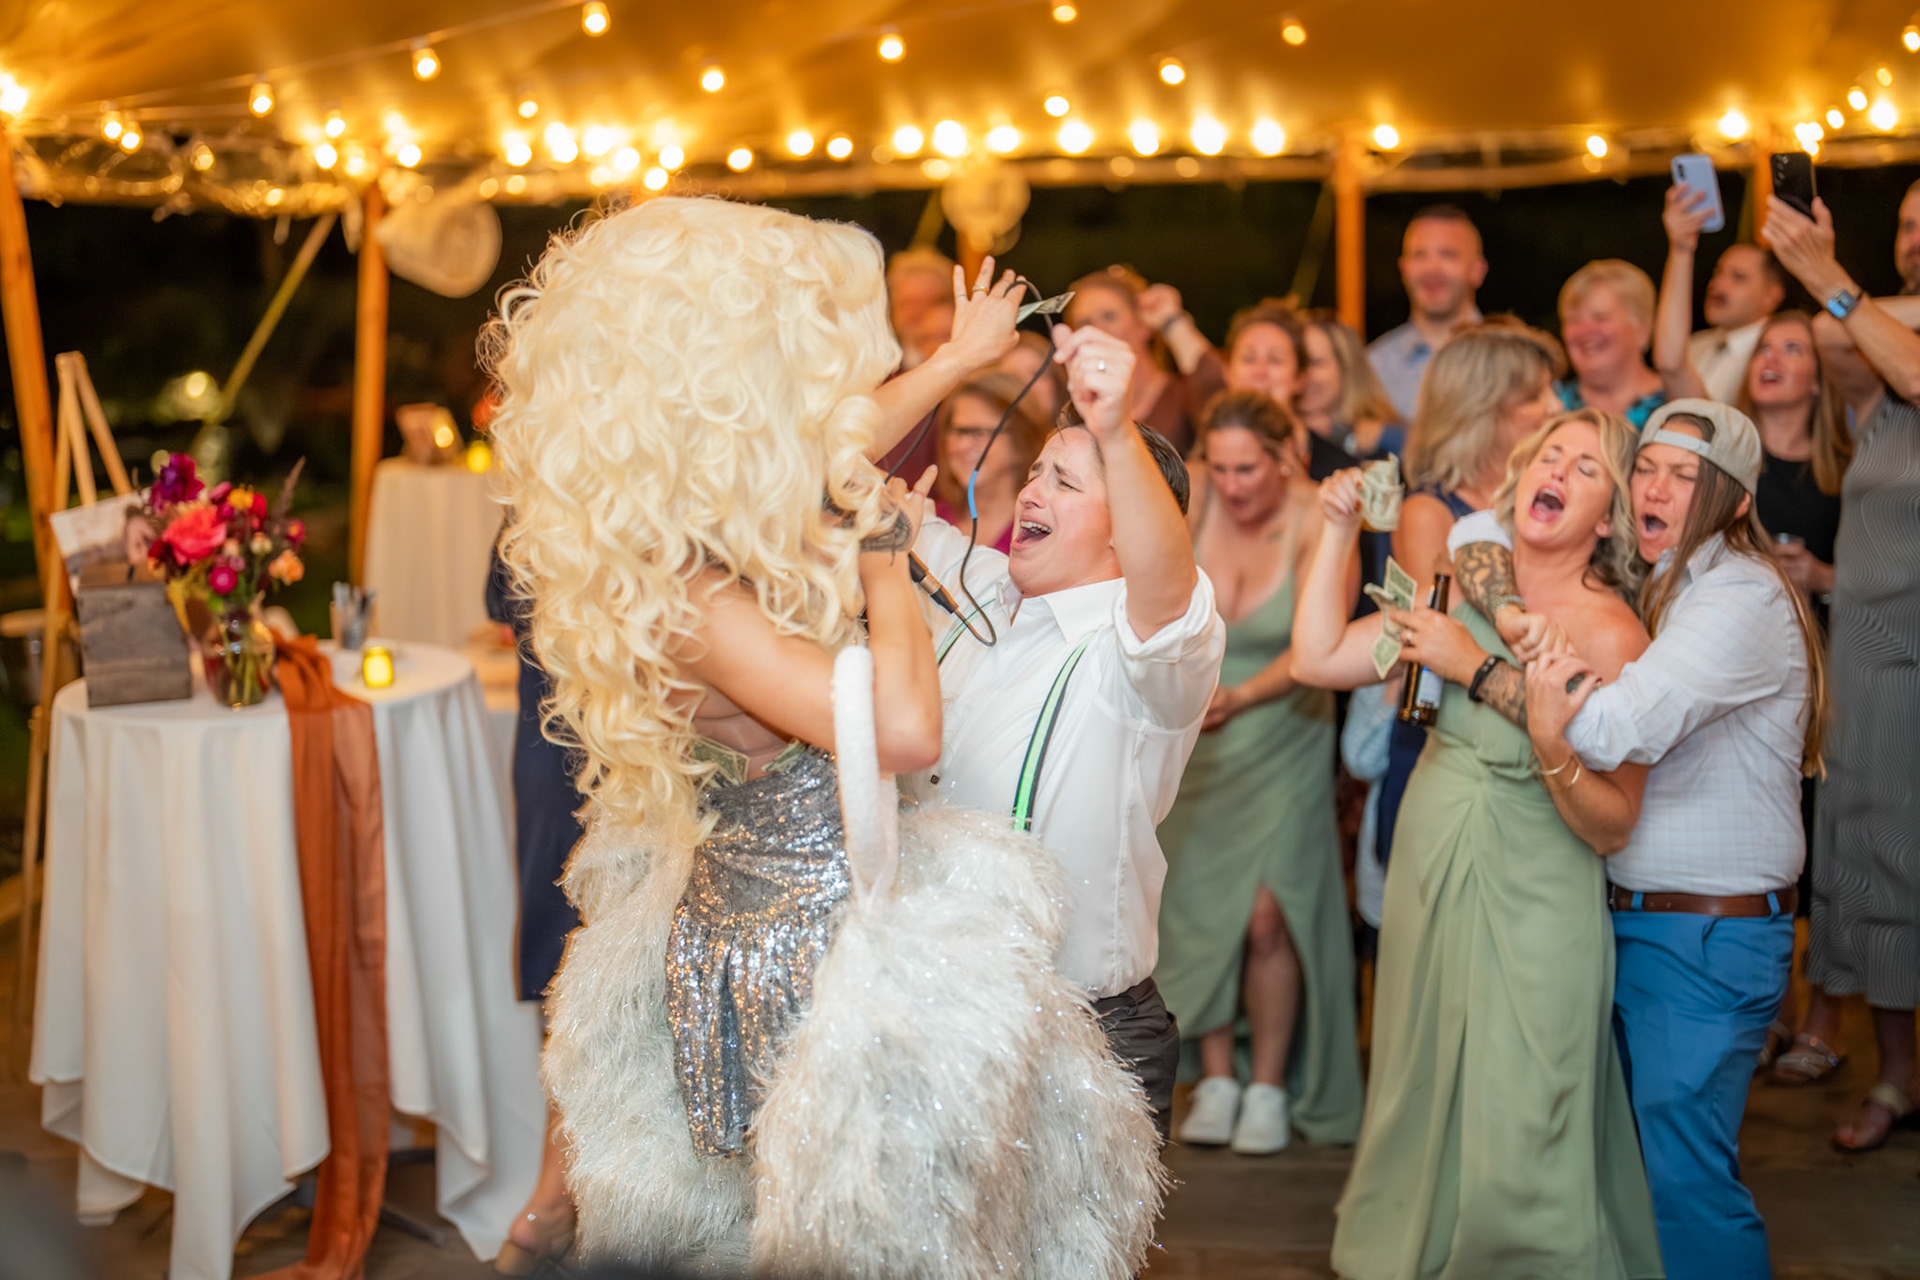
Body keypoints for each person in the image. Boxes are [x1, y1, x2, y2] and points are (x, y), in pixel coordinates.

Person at [487, 197, 1161, 1275]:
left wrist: (959, 359)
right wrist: (886, 562)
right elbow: (904, 728)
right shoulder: (696, 598)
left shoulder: (699, 532)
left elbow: (827, 447)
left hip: (813, 908)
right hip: (798, 950)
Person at [1449, 398, 1827, 1280]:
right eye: (1645, 469)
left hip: (1703, 937)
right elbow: (1476, 527)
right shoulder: (1668, 581)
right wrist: (1518, 613)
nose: (1655, 488)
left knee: (1684, 1189)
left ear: (1736, 501)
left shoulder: (1737, 597)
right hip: (1647, 922)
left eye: (1684, 476)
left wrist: (1472, 664)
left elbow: (1617, 728)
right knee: (1634, 1186)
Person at [1292, 409, 1662, 1279]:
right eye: (1550, 456)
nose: (1557, 472)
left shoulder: (1614, 633)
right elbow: (1317, 658)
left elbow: (1615, 821)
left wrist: (1475, 668)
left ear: (1607, 519)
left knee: (1533, 1087)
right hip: (1433, 846)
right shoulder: (1453, 589)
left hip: (1543, 873)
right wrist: (1335, 532)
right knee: (1422, 1071)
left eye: (1586, 469)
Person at [901, 319, 1229, 1143]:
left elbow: (1167, 576)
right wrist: (955, 360)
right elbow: (828, 474)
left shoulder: (1145, 650)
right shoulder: (978, 584)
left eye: (1066, 482)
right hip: (933, 1010)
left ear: (1127, 528)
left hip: (1084, 1031)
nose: (1031, 492)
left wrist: (1114, 427)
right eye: (1035, 472)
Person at [1156, 390, 1363, 1156]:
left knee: (1269, 915)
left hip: (1284, 728)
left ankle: (1270, 1082)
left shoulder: (1318, 516)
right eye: (1221, 466)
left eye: (1249, 469)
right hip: (1197, 738)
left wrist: (1241, 696)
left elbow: (1321, 643)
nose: (1233, 484)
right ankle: (1217, 1077)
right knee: (1200, 904)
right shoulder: (1195, 503)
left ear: (1287, 459)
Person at [1765, 194, 1920, 1162]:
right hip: (1871, 647)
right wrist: (1824, 275)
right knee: (1878, 847)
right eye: (1906, 223)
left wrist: (1828, 273)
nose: (1914, 238)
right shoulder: (1880, 354)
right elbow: (1830, 340)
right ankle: (1898, 1073)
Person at [1368, 323, 1563, 885]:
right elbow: (1444, 636)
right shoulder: (1429, 512)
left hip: (1530, 736)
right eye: (1536, 395)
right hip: (1453, 743)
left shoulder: (1544, 499)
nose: (1556, 406)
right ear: (1483, 410)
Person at [1063, 267, 1220, 456]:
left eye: (1109, 316)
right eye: (1084, 323)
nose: (1096, 329)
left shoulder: (1183, 396)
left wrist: (1172, 322)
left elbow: (1216, 390)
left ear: (1143, 326)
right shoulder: (1080, 413)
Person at [1655, 185, 1789, 403]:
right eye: (1718, 273)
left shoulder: (1780, 355)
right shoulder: (1694, 346)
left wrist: (1682, 250)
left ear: (1772, 296)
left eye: (1738, 277)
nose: (1718, 284)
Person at [1367, 204, 1488, 421]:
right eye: (1419, 255)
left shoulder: (1514, 361)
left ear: (1477, 270)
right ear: (1404, 268)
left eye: (1448, 254)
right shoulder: (1374, 367)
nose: (1432, 268)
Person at [929, 370, 1050, 554]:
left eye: (978, 433)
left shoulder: (1039, 531)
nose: (961, 445)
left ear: (1021, 440)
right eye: (957, 431)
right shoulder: (930, 520)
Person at [1557, 259, 1668, 426]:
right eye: (1573, 320)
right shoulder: (1548, 407)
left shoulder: (1673, 405)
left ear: (1642, 329)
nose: (1584, 331)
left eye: (1600, 317)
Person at [1298, 310, 1404, 459]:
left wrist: (1342, 436)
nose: (1304, 374)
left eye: (1316, 363)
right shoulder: (1282, 434)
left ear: (1348, 368)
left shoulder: (1384, 439)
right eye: (1299, 362)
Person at [887, 245, 958, 370]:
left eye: (932, 302)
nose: (919, 312)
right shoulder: (881, 367)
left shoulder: (973, 362)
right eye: (910, 303)